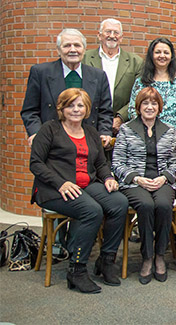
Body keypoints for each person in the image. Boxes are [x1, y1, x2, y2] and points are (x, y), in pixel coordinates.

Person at [29, 89, 127, 293]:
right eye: (70, 105)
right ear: (61, 108)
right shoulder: (49, 130)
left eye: (80, 105)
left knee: (119, 203)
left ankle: (106, 260)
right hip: (54, 189)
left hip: (87, 185)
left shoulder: (91, 132)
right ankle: (77, 269)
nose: (75, 109)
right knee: (92, 211)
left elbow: (100, 163)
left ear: (87, 109)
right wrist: (60, 183)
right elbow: (36, 164)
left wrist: (108, 177)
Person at [112, 87, 176, 284]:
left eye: (154, 103)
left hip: (162, 181)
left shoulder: (169, 130)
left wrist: (164, 178)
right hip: (135, 182)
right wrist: (136, 178)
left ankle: (160, 255)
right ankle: (147, 257)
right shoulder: (126, 129)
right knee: (146, 205)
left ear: (159, 107)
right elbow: (117, 163)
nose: (149, 107)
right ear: (138, 107)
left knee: (163, 205)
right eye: (145, 103)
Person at [21, 28, 113, 148]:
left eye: (77, 45)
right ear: (58, 50)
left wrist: (104, 132)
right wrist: (36, 133)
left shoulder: (98, 76)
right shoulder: (40, 73)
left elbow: (105, 111)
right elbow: (30, 110)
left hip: (88, 145)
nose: (73, 50)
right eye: (67, 46)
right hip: (51, 144)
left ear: (84, 50)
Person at [83, 18, 144, 135]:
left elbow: (139, 94)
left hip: (123, 126)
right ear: (99, 35)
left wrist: (120, 117)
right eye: (108, 32)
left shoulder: (135, 62)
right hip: (89, 123)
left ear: (121, 37)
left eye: (116, 33)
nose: (112, 36)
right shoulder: (85, 58)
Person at [128, 37, 176, 134]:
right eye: (158, 52)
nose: (162, 56)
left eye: (166, 53)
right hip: (148, 138)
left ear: (171, 56)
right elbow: (133, 111)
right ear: (151, 55)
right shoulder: (141, 82)